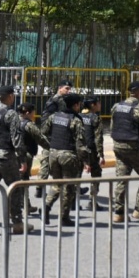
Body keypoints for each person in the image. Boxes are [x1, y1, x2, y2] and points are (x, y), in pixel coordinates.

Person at [0, 85, 31, 235]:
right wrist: (22, 159)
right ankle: (17, 223)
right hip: (6, 157)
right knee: (15, 188)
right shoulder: (11, 114)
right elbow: (16, 139)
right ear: (10, 96)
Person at [110, 81, 139, 224]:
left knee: (121, 179)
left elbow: (113, 127)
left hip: (118, 147)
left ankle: (119, 213)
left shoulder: (116, 106)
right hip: (135, 148)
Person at [41, 93, 89, 226]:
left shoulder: (54, 116)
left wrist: (51, 147)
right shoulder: (76, 120)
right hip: (68, 155)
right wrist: (86, 161)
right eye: (79, 104)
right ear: (75, 105)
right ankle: (64, 217)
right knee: (68, 187)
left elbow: (44, 131)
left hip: (53, 154)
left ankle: (46, 206)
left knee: (57, 184)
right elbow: (80, 144)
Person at [36, 79, 72, 198]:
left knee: (47, 160)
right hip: (50, 133)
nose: (68, 91)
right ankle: (41, 188)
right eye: (66, 88)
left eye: (69, 89)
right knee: (47, 160)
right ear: (60, 88)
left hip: (51, 132)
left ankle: (40, 188)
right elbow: (52, 117)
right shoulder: (56, 100)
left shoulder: (58, 99)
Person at [17, 102, 48, 216]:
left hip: (14, 154)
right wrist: (50, 148)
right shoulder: (29, 125)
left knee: (18, 181)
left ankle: (24, 205)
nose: (34, 114)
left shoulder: (14, 121)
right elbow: (40, 138)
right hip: (25, 155)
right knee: (24, 181)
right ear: (28, 113)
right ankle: (24, 206)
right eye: (33, 112)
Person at [80, 96, 106, 211]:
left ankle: (71, 202)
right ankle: (93, 202)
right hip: (91, 150)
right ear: (92, 105)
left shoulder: (78, 116)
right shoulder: (95, 118)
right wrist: (101, 154)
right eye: (98, 103)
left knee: (76, 175)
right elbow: (98, 138)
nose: (100, 105)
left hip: (78, 150)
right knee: (96, 174)